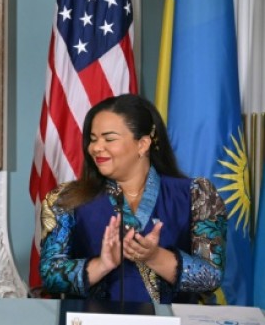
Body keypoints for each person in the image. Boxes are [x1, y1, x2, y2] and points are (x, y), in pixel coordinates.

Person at [39, 94, 226, 303]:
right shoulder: (65, 199)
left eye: (109, 139)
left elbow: (212, 277)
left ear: (143, 144)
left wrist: (155, 256)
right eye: (93, 139)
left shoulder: (197, 195)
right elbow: (50, 275)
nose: (96, 147)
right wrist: (102, 264)